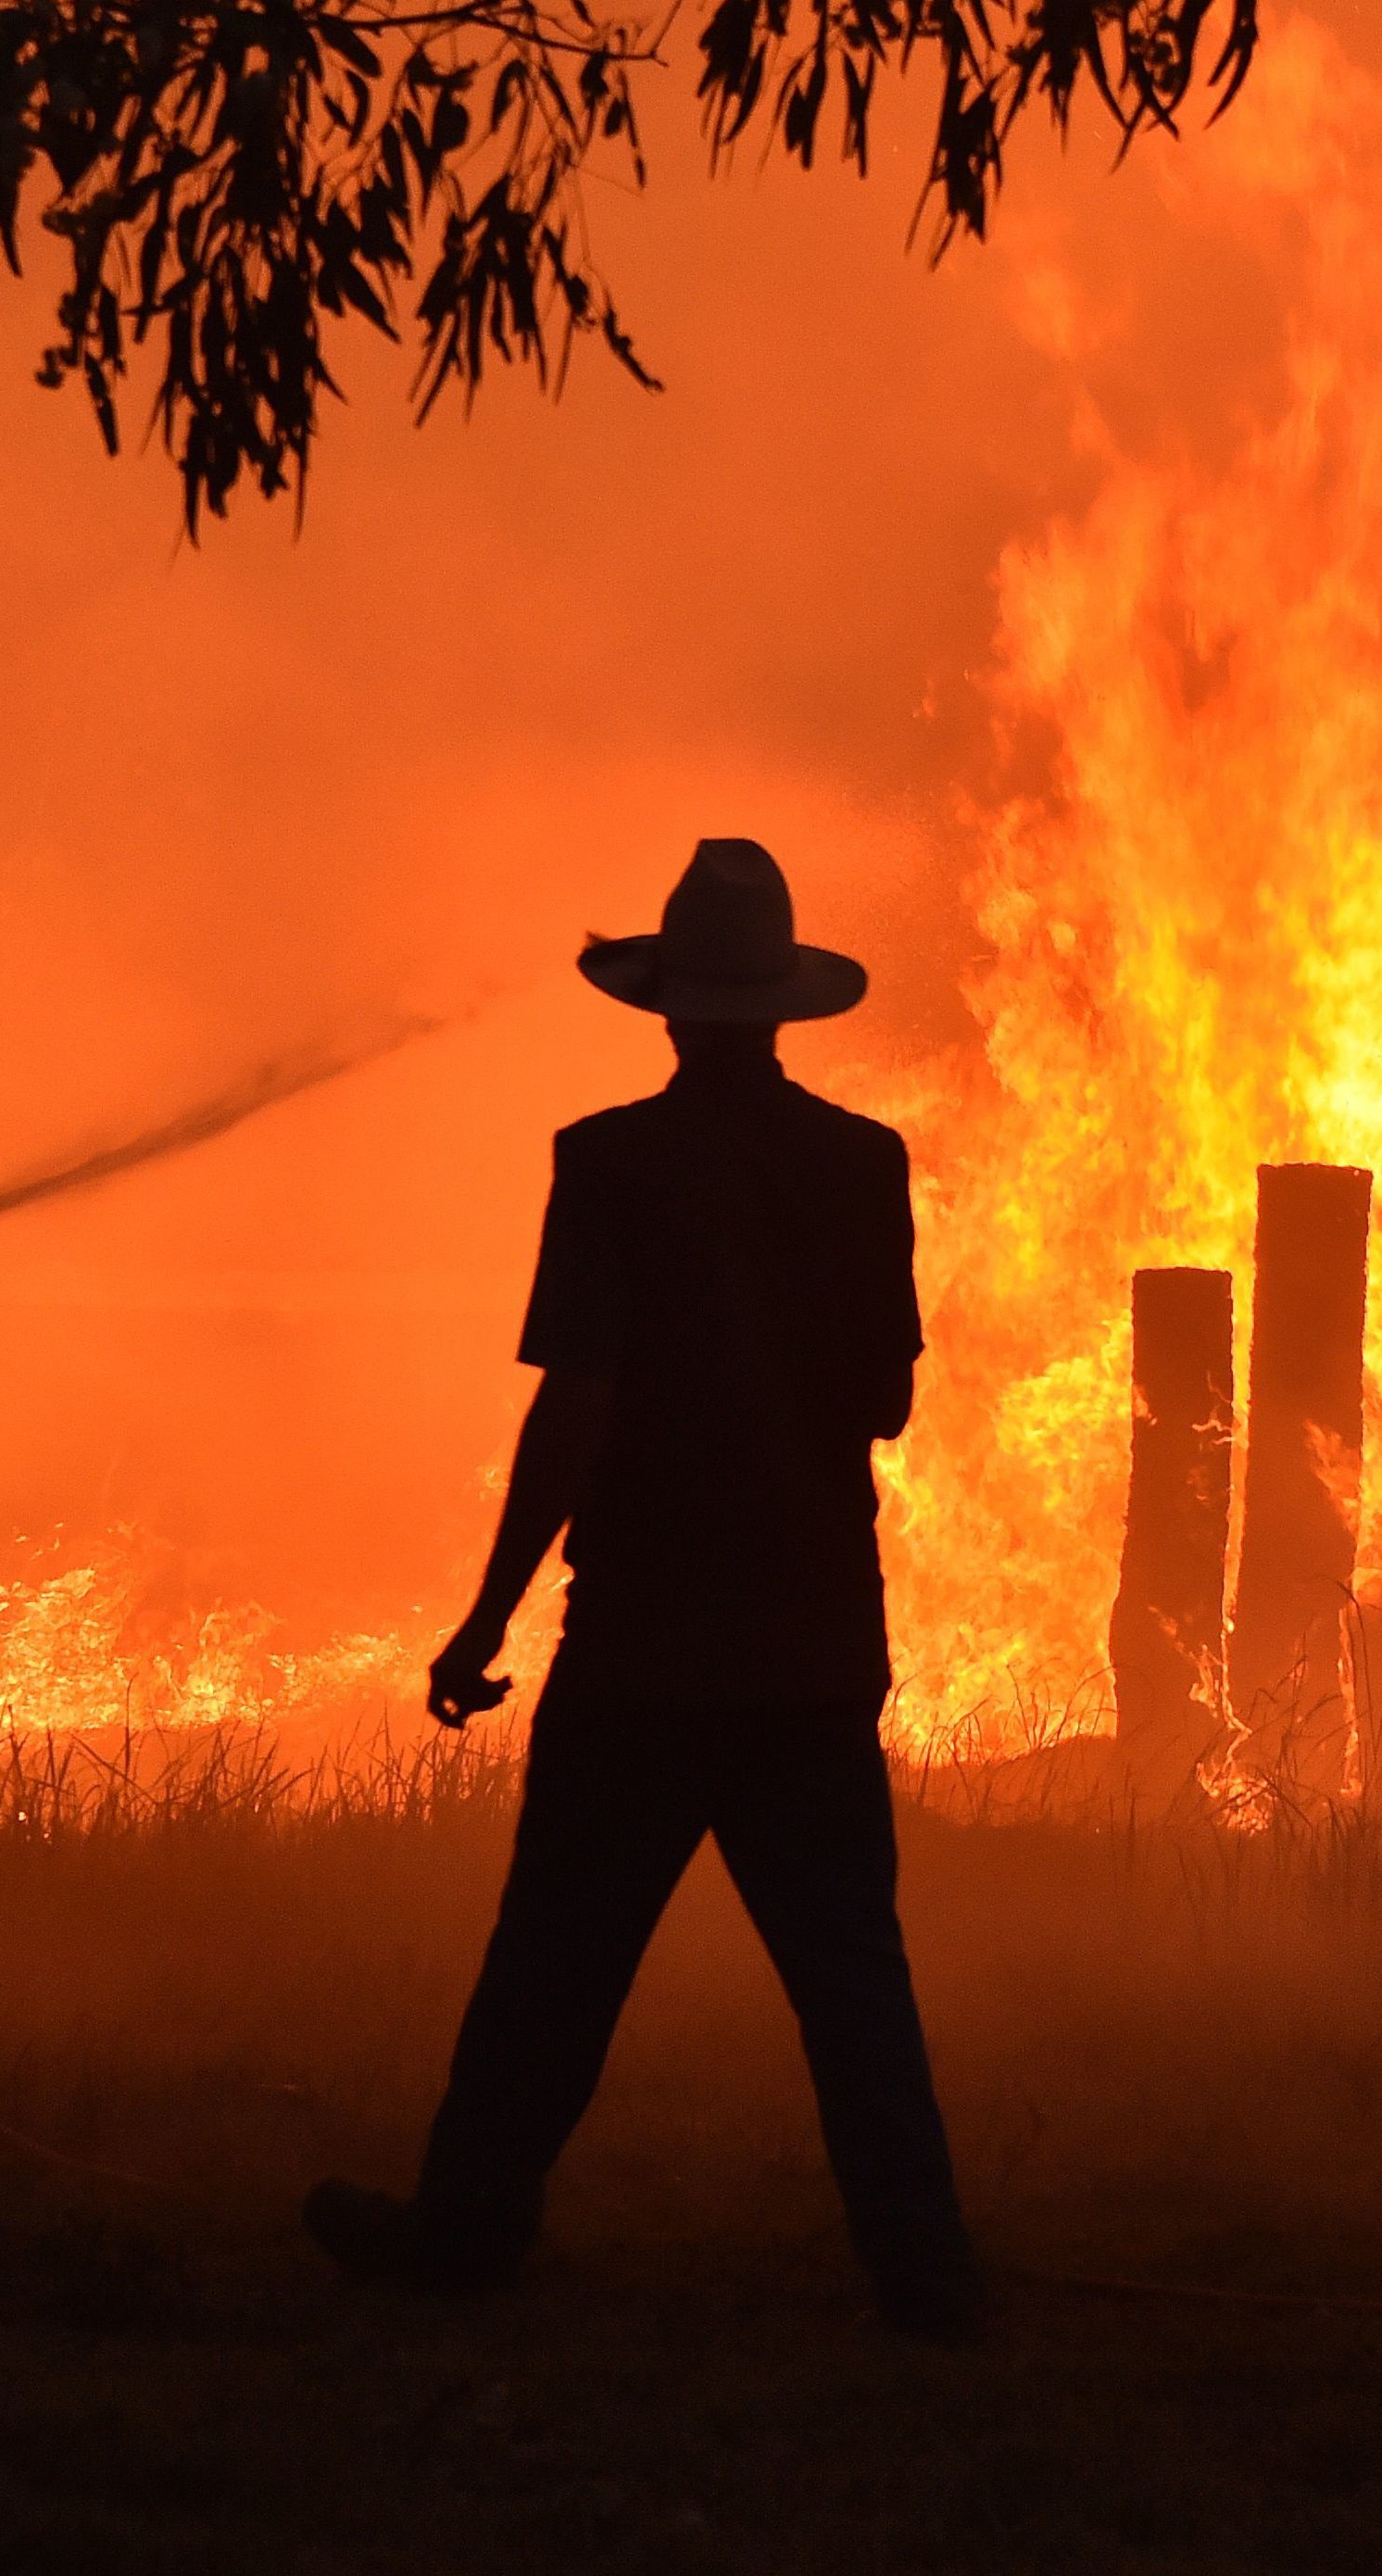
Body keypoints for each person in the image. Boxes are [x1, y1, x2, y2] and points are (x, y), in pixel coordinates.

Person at [305, 838, 981, 2335]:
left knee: (553, 1956)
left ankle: (465, 2231)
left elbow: (576, 1406)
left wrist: (487, 1615)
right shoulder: (861, 1165)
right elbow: (884, 1402)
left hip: (642, 1643)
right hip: (807, 1639)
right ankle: (929, 2279)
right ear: (782, 1010)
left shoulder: (607, 1161)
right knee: (852, 1979)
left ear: (669, 1010)